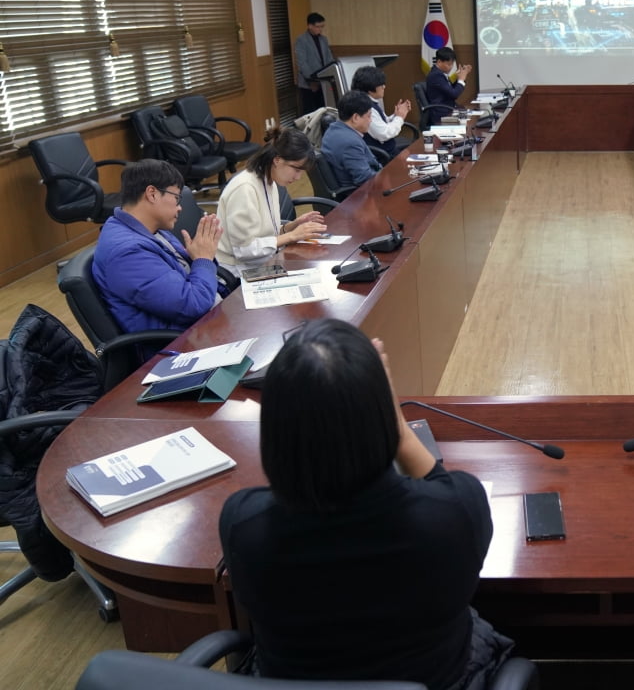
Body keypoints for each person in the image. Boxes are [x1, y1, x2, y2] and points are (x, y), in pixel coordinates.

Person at [219, 320, 514, 687]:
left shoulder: (242, 524)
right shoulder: (452, 514)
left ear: (276, 426)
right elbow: (442, 486)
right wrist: (400, 427)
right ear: (381, 419)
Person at [93, 159, 226, 337]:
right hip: (183, 342)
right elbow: (192, 304)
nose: (180, 207)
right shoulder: (127, 253)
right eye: (176, 198)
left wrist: (199, 257)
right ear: (152, 194)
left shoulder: (147, 229)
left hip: (205, 323)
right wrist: (203, 260)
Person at [215, 127, 327, 271]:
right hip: (238, 271)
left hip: (264, 262)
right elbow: (245, 250)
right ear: (277, 160)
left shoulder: (270, 182)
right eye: (297, 170)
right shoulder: (245, 188)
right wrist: (292, 236)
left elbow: (265, 235)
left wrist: (292, 226)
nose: (298, 177)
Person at [321, 90, 382, 191]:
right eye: (369, 116)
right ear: (355, 117)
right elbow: (365, 179)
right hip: (360, 195)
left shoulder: (333, 128)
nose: (370, 120)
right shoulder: (350, 143)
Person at [351, 65, 414, 159]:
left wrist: (396, 115)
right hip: (383, 157)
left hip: (387, 151)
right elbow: (384, 134)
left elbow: (381, 123)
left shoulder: (367, 101)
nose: (384, 87)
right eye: (381, 85)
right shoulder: (366, 107)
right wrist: (399, 117)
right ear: (370, 88)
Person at [294, 12, 334, 115]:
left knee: (324, 111)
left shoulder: (323, 39)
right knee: (310, 112)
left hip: (323, 81)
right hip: (309, 84)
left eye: (322, 26)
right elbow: (302, 63)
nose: (320, 29)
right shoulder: (301, 40)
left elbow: (329, 58)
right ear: (310, 26)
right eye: (318, 26)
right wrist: (312, 80)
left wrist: (330, 75)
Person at [425, 46, 473, 111]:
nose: (451, 67)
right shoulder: (436, 75)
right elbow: (454, 94)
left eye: (452, 64)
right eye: (448, 64)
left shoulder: (440, 73)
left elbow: (450, 90)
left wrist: (459, 78)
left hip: (449, 108)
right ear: (439, 62)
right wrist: (461, 79)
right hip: (442, 112)